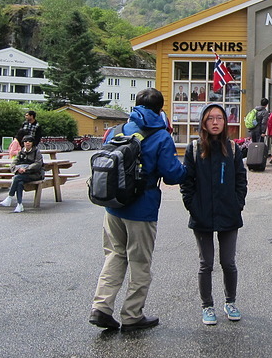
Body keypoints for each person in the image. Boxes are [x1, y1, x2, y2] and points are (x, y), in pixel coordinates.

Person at [89, 88, 187, 332]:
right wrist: (189, 170)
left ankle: (101, 307)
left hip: (113, 206)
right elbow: (173, 174)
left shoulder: (117, 129)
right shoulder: (161, 136)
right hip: (142, 210)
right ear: (160, 109)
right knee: (140, 262)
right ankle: (132, 315)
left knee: (114, 255)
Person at [181, 103, 248, 325]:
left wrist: (238, 203)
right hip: (202, 214)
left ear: (225, 122)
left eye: (219, 118)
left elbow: (241, 179)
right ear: (203, 122)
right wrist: (192, 205)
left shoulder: (233, 149)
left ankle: (231, 302)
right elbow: (186, 182)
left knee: (228, 262)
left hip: (229, 213)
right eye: (211, 118)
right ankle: (207, 306)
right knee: (206, 263)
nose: (216, 122)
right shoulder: (193, 149)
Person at [0, 135, 44, 213]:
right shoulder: (21, 152)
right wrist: (18, 169)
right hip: (22, 175)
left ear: (32, 143)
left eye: (29, 141)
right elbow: (13, 164)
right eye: (26, 141)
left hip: (35, 174)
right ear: (23, 143)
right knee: (19, 182)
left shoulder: (37, 152)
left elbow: (38, 164)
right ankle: (19, 205)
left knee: (16, 178)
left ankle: (10, 197)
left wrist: (26, 169)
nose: (27, 143)